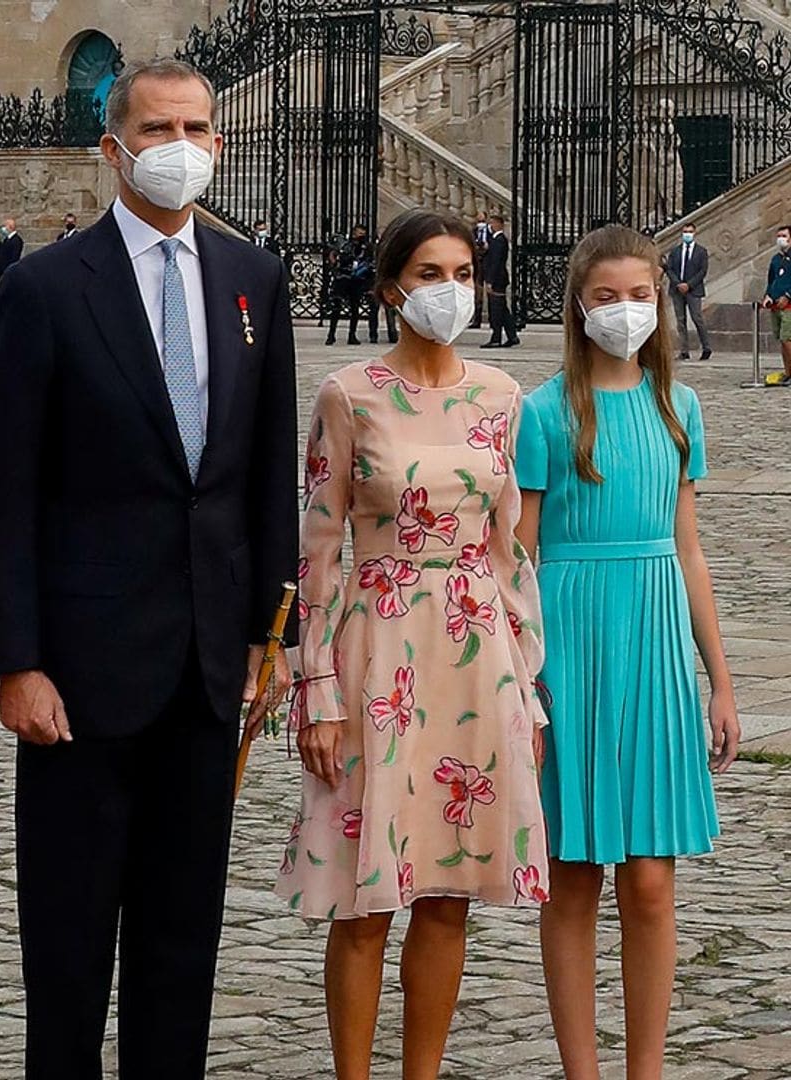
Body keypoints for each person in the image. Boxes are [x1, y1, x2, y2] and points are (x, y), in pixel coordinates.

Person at [0, 57, 298, 1080]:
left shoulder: (255, 280)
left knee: (180, 941)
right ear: (113, 148)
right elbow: (3, 491)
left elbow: (264, 472)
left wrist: (268, 633)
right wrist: (17, 660)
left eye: (198, 128)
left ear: (222, 143)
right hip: (82, 670)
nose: (180, 148)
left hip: (205, 668)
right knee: (68, 948)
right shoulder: (45, 288)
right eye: (158, 130)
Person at [276, 208, 549, 1078]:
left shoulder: (503, 397)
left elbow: (511, 551)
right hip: (376, 651)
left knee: (449, 895)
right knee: (366, 899)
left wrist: (527, 682)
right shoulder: (348, 394)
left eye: (464, 274)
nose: (451, 291)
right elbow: (316, 553)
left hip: (476, 658)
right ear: (393, 286)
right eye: (431, 274)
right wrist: (313, 690)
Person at [515, 224, 740, 1080]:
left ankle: (645, 1068)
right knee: (573, 874)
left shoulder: (678, 408)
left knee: (649, 880)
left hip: (653, 646)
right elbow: (520, 557)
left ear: (662, 300)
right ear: (579, 304)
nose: (624, 311)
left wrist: (718, 682)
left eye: (638, 295)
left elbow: (688, 549)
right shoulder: (542, 413)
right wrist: (524, 686)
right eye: (606, 296)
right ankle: (584, 1071)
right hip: (568, 645)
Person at [665, 221, 712, 361]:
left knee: (697, 318)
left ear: (695, 233)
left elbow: (702, 271)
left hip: (694, 289)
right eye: (685, 232)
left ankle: (706, 347)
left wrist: (689, 285)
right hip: (677, 289)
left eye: (690, 232)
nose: (687, 234)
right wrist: (678, 283)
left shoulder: (701, 251)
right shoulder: (675, 251)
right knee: (680, 320)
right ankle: (684, 350)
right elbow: (670, 269)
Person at [325, 224, 376, 346]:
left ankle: (352, 335)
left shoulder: (367, 247)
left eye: (363, 233)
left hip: (357, 280)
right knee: (336, 306)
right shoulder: (345, 244)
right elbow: (332, 253)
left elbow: (370, 262)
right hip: (343, 278)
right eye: (358, 233)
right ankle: (331, 334)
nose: (360, 235)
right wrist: (335, 266)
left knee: (355, 308)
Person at [481, 214, 520, 349]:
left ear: (499, 224)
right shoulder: (495, 240)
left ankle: (496, 337)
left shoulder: (499, 240)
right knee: (502, 310)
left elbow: (495, 263)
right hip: (498, 278)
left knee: (496, 309)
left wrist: (490, 281)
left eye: (492, 223)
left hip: (497, 279)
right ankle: (512, 336)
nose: (490, 226)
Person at [762, 223, 791, 386]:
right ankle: (787, 371)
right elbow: (772, 280)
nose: (781, 239)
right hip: (776, 305)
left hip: (788, 306)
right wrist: (768, 295)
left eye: (784, 236)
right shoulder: (776, 259)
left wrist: (788, 296)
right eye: (779, 236)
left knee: (788, 338)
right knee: (782, 339)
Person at [471, 209, 491, 329]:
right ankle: (476, 319)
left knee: (490, 292)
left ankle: (492, 318)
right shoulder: (473, 231)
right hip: (478, 264)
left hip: (487, 264)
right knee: (477, 292)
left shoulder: (490, 232)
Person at [0, 217, 24, 286]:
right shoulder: (7, 240)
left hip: (7, 273)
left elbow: (13, 258)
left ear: (10, 227)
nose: (3, 228)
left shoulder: (16, 241)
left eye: (5, 225)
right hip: (2, 272)